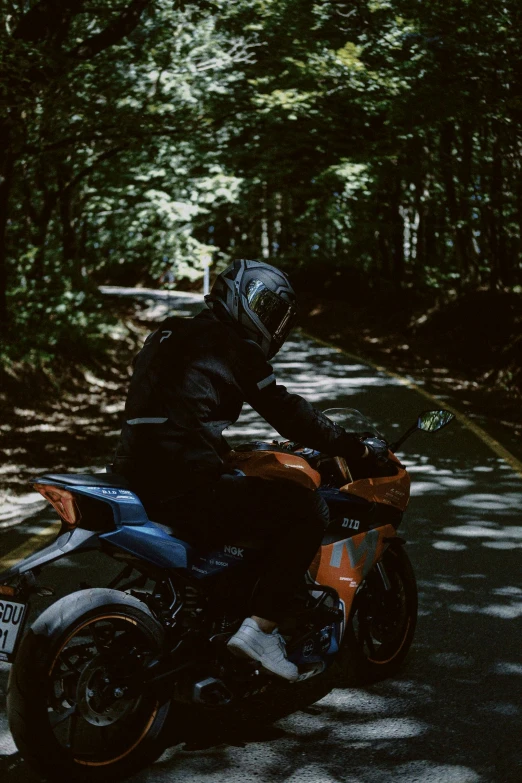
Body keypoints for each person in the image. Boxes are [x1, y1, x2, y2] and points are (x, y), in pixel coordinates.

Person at [112, 259, 385, 681]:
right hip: (186, 485)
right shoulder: (232, 343)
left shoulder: (168, 331)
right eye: (265, 306)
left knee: (240, 497)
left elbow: (172, 412)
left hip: (130, 476)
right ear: (237, 294)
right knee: (307, 509)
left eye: (276, 314)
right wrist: (353, 447)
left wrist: (218, 447)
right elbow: (287, 412)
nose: (270, 321)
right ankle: (261, 630)